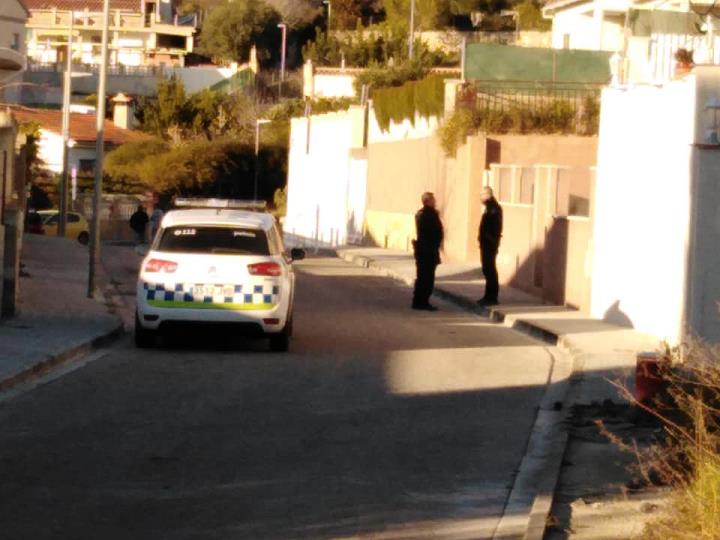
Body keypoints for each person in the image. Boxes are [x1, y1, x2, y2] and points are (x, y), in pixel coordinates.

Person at [412, 192, 444, 311]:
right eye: (433, 200)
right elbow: (434, 232)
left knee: (421, 276)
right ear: (428, 201)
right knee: (427, 277)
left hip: (422, 250)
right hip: (428, 250)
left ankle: (418, 301)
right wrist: (438, 243)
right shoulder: (430, 215)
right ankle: (423, 301)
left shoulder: (420, 214)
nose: (435, 202)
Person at [478, 186, 503, 306]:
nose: (480, 197)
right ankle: (488, 296)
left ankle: (492, 296)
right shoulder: (489, 207)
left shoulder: (493, 208)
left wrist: (490, 241)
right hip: (486, 243)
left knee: (490, 269)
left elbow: (493, 228)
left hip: (490, 244)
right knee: (487, 269)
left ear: (488, 195)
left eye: (482, 195)